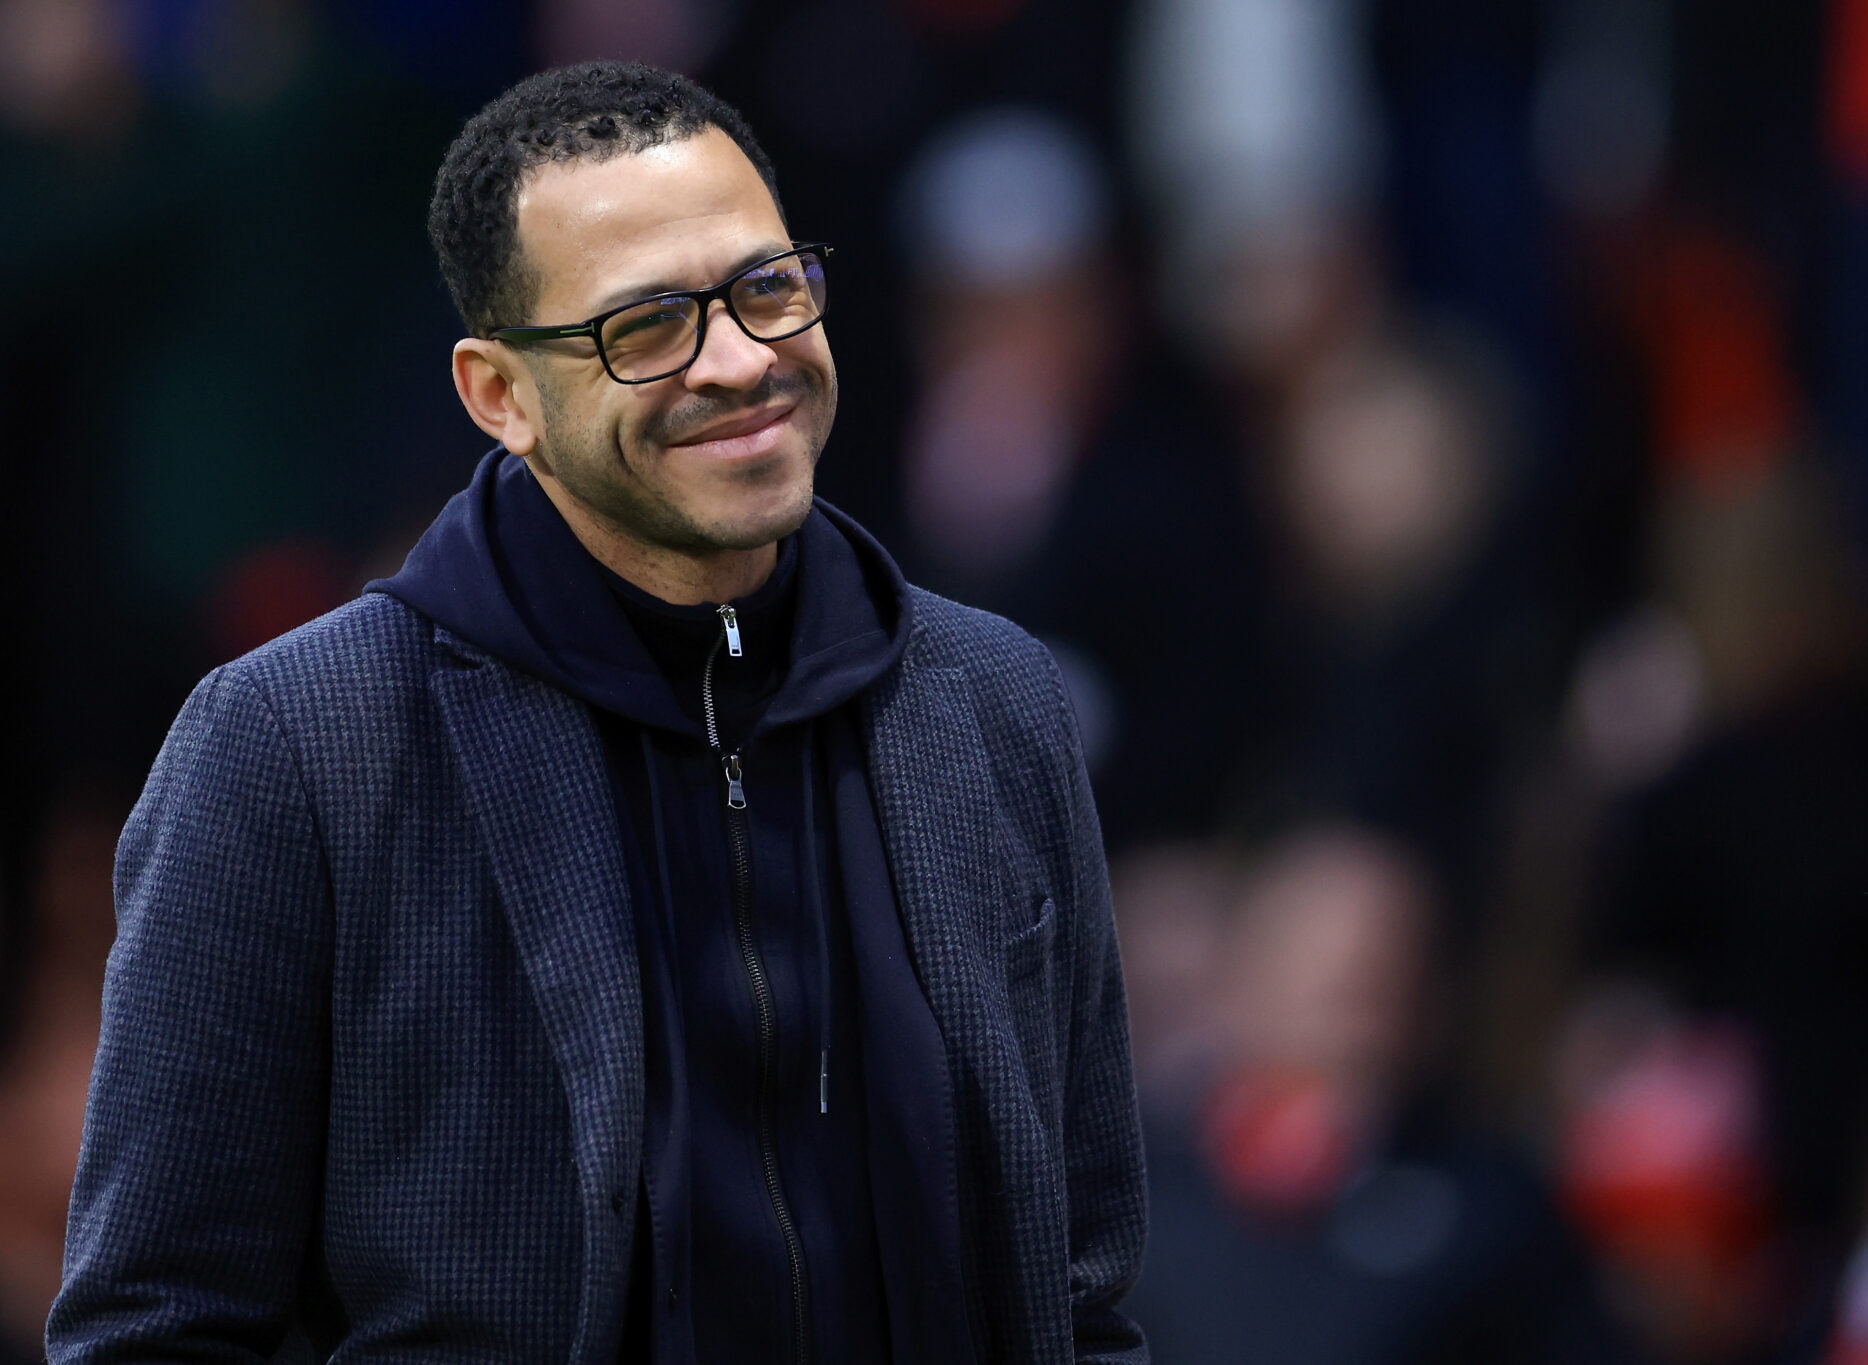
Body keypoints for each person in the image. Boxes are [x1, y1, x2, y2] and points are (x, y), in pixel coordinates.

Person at [46, 62, 1146, 1365]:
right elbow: (156, 1327)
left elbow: (1082, 1298)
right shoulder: (297, 745)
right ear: (498, 395)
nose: (740, 361)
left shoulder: (992, 700)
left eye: (767, 288)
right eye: (648, 325)